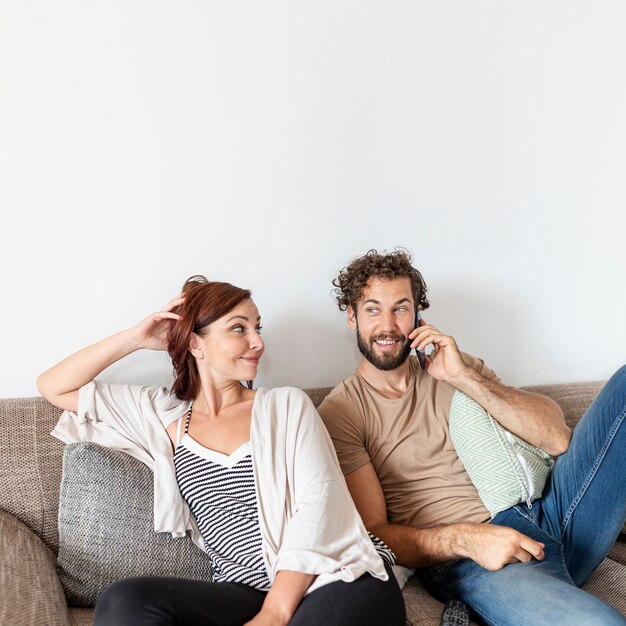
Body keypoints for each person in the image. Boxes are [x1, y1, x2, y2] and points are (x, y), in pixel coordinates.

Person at [37, 275, 405, 626]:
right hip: (244, 590)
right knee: (123, 600)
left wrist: (275, 614)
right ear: (197, 344)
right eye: (239, 328)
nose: (257, 341)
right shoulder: (164, 415)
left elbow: (318, 505)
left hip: (337, 577)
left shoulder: (285, 406)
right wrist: (135, 338)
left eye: (257, 328)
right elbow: (53, 386)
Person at [318, 249, 626, 626]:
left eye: (400, 308)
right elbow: (377, 533)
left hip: (553, 510)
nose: (387, 324)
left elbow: (557, 440)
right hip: (474, 558)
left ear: (418, 316)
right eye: (372, 309)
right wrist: (467, 540)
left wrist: (463, 377)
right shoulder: (342, 412)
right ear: (351, 316)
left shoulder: (455, 367)